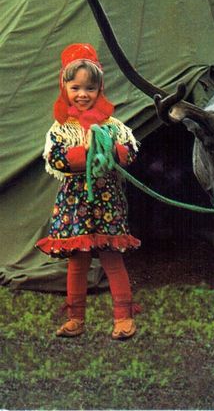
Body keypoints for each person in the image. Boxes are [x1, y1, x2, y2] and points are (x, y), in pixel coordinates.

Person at [36, 43, 141, 340]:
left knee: (112, 257)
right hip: (75, 202)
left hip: (107, 202)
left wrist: (111, 150)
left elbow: (130, 152)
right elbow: (55, 159)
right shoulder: (61, 129)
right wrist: (84, 152)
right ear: (65, 87)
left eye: (90, 88)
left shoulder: (112, 125)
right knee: (77, 261)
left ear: (100, 89)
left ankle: (123, 318)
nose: (83, 94)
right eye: (76, 87)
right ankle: (75, 319)